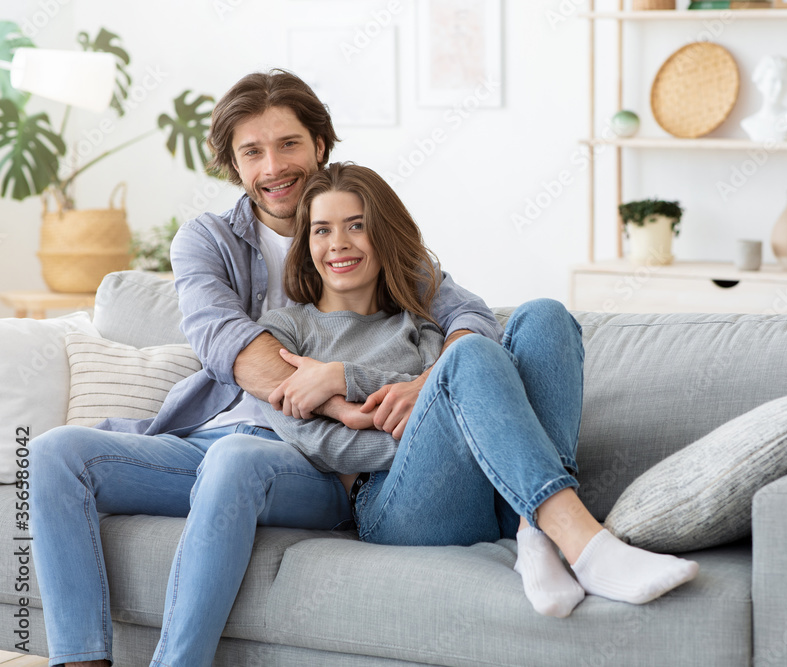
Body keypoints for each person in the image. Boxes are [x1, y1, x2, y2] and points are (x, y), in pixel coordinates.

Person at [28, 70, 502, 667]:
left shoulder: (366, 235)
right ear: (233, 163)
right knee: (53, 453)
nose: (273, 166)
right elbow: (223, 341)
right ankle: (80, 660)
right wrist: (334, 394)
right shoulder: (208, 240)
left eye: (289, 144)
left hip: (316, 463)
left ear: (320, 146)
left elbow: (471, 319)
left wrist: (425, 385)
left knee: (238, 457)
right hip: (213, 437)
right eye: (253, 151)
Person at [256, 162, 700, 620]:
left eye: (356, 226)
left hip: (495, 493)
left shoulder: (424, 319)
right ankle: (582, 541)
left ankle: (536, 529)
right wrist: (426, 419)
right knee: (466, 357)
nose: (338, 244)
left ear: (385, 234)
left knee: (544, 316)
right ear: (306, 243)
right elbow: (315, 442)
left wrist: (350, 381)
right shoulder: (286, 332)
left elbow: (480, 382)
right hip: (398, 504)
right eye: (321, 230)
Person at [739, 54, 787, 143]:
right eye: (773, 80)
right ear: (760, 83)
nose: (779, 87)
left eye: (784, 82)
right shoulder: (749, 123)